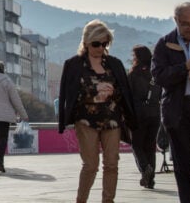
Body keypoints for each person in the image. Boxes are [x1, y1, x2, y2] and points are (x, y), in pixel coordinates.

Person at [58, 19, 136, 203]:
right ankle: (81, 200)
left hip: (112, 120)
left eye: (104, 43)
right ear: (86, 42)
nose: (100, 48)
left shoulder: (115, 64)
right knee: (90, 165)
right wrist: (95, 90)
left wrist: (112, 92)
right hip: (86, 120)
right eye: (96, 44)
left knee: (112, 164)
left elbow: (125, 91)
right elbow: (67, 94)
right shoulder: (73, 64)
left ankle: (108, 201)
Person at [151, 1, 190, 203]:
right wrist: (185, 68)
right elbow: (158, 76)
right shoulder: (164, 44)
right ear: (176, 21)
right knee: (183, 165)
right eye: (185, 23)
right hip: (178, 110)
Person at [0, 60, 28, 173]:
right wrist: (23, 114)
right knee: (3, 137)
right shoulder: (6, 81)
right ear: (3, 69)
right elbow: (15, 100)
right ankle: (0, 159)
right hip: (3, 114)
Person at [129, 44, 161, 189]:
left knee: (137, 144)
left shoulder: (134, 74)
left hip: (138, 114)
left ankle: (145, 168)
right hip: (155, 113)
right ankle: (150, 179)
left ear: (137, 57)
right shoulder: (156, 73)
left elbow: (127, 95)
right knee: (150, 146)